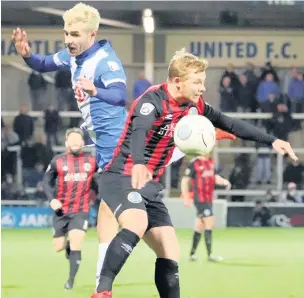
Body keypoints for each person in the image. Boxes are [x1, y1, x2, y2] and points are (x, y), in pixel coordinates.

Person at [92, 48, 297, 298]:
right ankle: (102, 292)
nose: (202, 88)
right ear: (177, 82)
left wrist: (273, 141)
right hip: (121, 175)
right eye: (197, 82)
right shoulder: (151, 101)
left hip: (148, 182)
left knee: (170, 249)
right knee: (137, 222)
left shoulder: (195, 105)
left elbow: (230, 123)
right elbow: (138, 130)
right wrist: (137, 162)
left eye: (203, 82)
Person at [11, 2, 127, 288]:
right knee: (116, 217)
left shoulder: (105, 61)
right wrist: (27, 56)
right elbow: (44, 63)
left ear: (92, 33)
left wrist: (95, 89)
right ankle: (104, 281)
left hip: (117, 145)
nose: (68, 40)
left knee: (111, 217)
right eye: (66, 33)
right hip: (102, 145)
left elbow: (120, 95)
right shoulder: (72, 55)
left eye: (74, 34)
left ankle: (103, 283)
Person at [43, 128, 97, 289]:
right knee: (59, 247)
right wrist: (52, 200)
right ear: (66, 143)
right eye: (71, 140)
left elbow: (104, 178)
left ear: (83, 143)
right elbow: (46, 181)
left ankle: (70, 281)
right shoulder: (57, 161)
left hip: (81, 210)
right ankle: (68, 247)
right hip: (61, 211)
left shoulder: (92, 160)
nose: (75, 142)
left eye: (77, 139)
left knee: (76, 243)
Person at [181, 154, 231, 262]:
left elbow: (214, 177)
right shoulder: (194, 163)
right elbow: (185, 181)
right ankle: (210, 255)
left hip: (208, 199)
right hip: (200, 199)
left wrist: (224, 181)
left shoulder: (210, 162)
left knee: (199, 225)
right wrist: (186, 197)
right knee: (210, 223)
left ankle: (192, 254)